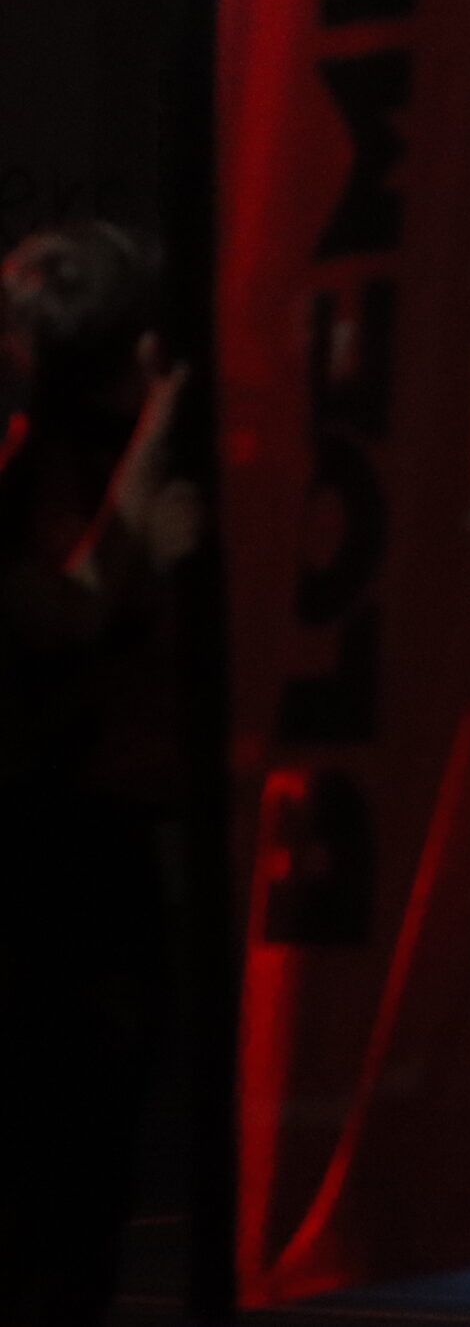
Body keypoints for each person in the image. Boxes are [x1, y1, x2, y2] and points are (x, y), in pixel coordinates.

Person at [0, 221, 204, 1325]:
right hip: (47, 830)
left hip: (112, 827)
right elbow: (64, 616)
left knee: (92, 1155)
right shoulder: (33, 463)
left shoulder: (104, 458)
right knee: (57, 1153)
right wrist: (159, 436)